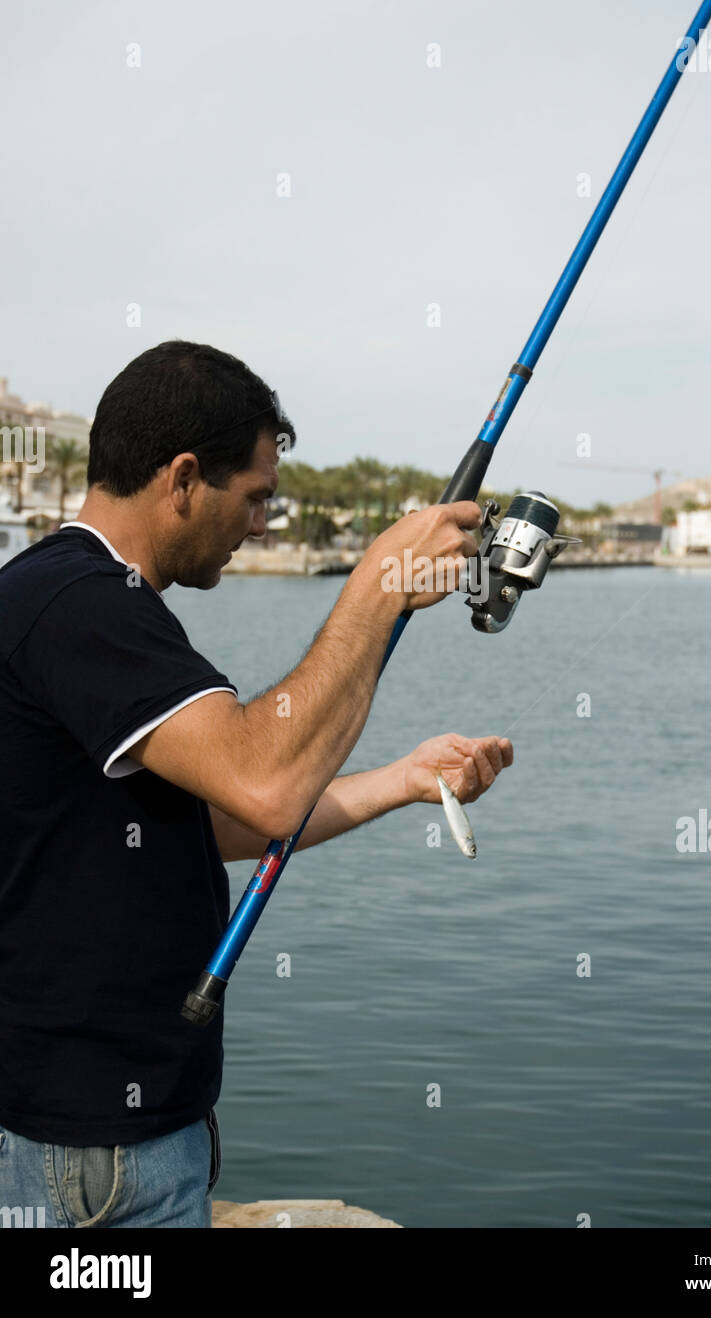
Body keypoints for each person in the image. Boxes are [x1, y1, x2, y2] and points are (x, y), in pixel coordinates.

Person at [0, 340, 512, 1229]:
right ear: (185, 477)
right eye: (258, 497)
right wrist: (381, 583)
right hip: (91, 1157)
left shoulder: (79, 600)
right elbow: (267, 783)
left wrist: (403, 779)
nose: (264, 524)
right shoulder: (82, 605)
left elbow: (225, 818)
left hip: (112, 1136)